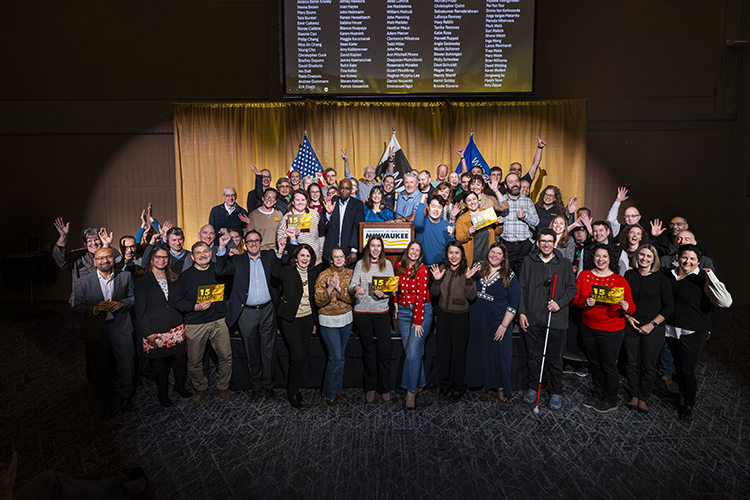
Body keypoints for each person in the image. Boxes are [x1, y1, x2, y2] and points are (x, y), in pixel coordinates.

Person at [664, 244, 732, 421]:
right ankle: (682, 396)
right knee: (678, 366)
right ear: (678, 258)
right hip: (671, 330)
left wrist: (711, 276)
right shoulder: (668, 275)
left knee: (686, 369)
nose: (687, 261)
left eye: (692, 259)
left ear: (698, 262)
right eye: (684, 257)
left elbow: (725, 303)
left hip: (694, 331)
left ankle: (689, 404)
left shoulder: (703, 280)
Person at [72, 247, 136, 419]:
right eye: (100, 258)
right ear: (94, 262)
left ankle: (126, 396)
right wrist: (94, 309)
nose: (104, 261)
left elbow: (133, 298)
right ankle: (104, 402)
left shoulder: (125, 276)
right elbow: (77, 307)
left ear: (114, 259)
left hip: (121, 327)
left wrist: (123, 303)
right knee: (99, 369)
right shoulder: (83, 282)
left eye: (108, 257)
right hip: (97, 330)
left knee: (127, 365)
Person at [518, 228, 578, 410]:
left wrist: (559, 303)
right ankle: (534, 387)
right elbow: (522, 288)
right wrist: (522, 312)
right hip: (533, 318)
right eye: (542, 241)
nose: (546, 244)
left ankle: (556, 391)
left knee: (555, 359)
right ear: (537, 243)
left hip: (556, 320)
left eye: (549, 241)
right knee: (534, 357)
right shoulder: (528, 261)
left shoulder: (564, 263)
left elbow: (572, 289)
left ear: (554, 243)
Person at [215, 230, 278, 400]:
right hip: (246, 313)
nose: (253, 243)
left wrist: (292, 240)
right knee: (252, 352)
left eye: (256, 240)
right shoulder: (238, 260)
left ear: (260, 242)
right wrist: (221, 247)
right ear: (245, 243)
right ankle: (256, 385)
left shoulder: (269, 256)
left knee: (269, 350)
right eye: (249, 241)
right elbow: (220, 271)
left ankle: (268, 385)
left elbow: (288, 260)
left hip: (268, 310)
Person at [573, 243, 635, 413]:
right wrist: (585, 302)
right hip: (588, 327)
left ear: (610, 259)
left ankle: (610, 398)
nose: (601, 259)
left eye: (605, 256)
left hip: (612, 329)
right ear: (592, 258)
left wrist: (626, 307)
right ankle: (597, 393)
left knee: (608, 364)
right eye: (598, 256)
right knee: (594, 362)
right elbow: (576, 299)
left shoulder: (619, 280)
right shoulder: (584, 276)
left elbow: (631, 306)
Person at [173, 241, 233, 404]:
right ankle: (200, 387)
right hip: (195, 323)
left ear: (210, 253)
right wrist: (195, 307)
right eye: (198, 253)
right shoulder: (185, 276)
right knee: (194, 362)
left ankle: (223, 387)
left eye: (205, 251)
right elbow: (177, 301)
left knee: (225, 357)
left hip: (219, 321)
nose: (202, 255)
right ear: (192, 257)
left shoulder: (219, 270)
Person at [465, 242, 520, 410]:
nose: (495, 255)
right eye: (492, 252)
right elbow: (468, 290)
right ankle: (486, 384)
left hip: (498, 321)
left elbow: (514, 303)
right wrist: (468, 278)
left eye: (499, 253)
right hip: (478, 320)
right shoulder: (478, 268)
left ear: (503, 258)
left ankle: (502, 390)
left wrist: (504, 325)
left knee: (500, 356)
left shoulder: (509, 275)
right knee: (483, 354)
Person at [134, 247, 191, 407]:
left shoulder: (174, 278)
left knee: (180, 357)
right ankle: (162, 393)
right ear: (152, 259)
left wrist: (185, 322)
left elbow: (180, 302)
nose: (161, 260)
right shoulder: (142, 281)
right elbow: (140, 311)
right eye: (158, 257)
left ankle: (180, 386)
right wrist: (147, 333)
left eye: (165, 257)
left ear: (168, 260)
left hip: (176, 326)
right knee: (159, 362)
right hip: (155, 329)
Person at [622, 244, 674, 414]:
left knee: (648, 364)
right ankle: (634, 394)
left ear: (654, 260)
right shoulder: (629, 275)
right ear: (637, 256)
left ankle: (643, 397)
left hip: (653, 327)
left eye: (648, 256)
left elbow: (668, 307)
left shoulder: (662, 279)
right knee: (631, 363)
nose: (644, 258)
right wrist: (628, 317)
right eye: (642, 255)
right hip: (631, 324)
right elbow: (623, 300)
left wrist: (652, 325)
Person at [273, 240, 322, 408]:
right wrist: (280, 251)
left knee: (300, 357)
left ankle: (295, 387)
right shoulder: (288, 271)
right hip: (290, 319)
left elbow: (313, 299)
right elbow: (275, 274)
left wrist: (314, 321)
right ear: (296, 257)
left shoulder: (312, 273)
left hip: (307, 319)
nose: (305, 258)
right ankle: (292, 390)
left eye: (308, 255)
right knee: (298, 356)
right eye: (302, 255)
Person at [430, 241, 480, 402]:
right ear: (447, 254)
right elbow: (434, 293)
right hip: (443, 316)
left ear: (462, 255)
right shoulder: (441, 269)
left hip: (460, 318)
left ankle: (458, 387)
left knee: (458, 354)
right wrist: (436, 280)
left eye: (457, 253)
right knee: (443, 353)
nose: (454, 256)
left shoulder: (466, 271)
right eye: (451, 252)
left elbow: (472, 297)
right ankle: (445, 384)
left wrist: (469, 280)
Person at [350, 237, 395, 403]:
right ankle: (370, 387)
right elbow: (351, 285)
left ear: (382, 248)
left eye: (378, 246)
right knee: (368, 351)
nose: (375, 249)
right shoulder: (360, 264)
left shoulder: (387, 264)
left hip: (381, 312)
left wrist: (385, 293)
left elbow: (392, 290)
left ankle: (384, 387)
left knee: (385, 351)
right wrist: (356, 287)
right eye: (373, 245)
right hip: (362, 313)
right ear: (368, 248)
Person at [393, 240, 432, 410]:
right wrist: (395, 302)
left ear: (420, 254)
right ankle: (421, 383)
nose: (414, 252)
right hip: (403, 312)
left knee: (412, 354)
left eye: (418, 250)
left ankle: (410, 392)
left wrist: (417, 321)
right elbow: (396, 287)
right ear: (407, 250)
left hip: (421, 312)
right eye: (412, 249)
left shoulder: (422, 270)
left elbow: (420, 297)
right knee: (412, 352)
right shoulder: (399, 266)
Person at [314, 247, 354, 407]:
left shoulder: (351, 274)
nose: (338, 259)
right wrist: (330, 288)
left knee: (341, 357)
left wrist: (339, 289)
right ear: (330, 260)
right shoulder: (323, 275)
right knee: (335, 357)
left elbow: (352, 299)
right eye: (335, 257)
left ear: (345, 258)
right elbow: (319, 302)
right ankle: (328, 394)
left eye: (341, 256)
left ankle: (337, 389)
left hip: (346, 320)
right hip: (328, 321)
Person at [53, 219, 119, 302]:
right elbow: (61, 259)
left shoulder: (111, 251)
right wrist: (63, 236)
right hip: (84, 300)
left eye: (96, 239)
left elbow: (120, 267)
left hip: (109, 298)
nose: (93, 243)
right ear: (85, 244)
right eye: (89, 241)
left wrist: (106, 245)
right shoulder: (78, 255)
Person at [501, 172, 540, 274]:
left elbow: (536, 222)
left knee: (523, 276)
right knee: (505, 275)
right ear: (505, 186)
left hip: (524, 246)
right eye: (511, 182)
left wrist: (525, 216)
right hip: (507, 245)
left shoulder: (527, 201)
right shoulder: (500, 201)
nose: (515, 184)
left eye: (517, 181)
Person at [320, 178, 365, 264]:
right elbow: (322, 227)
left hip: (348, 251)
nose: (344, 191)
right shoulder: (331, 203)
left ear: (351, 190)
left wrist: (354, 249)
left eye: (347, 188)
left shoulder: (357, 205)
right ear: (339, 189)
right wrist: (328, 214)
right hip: (331, 251)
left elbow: (357, 228)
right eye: (342, 188)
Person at [456, 192, 504, 267]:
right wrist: (468, 233)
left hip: (488, 255)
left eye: (474, 199)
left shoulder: (487, 213)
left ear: (478, 200)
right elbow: (459, 238)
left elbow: (497, 232)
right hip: (472, 256)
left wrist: (500, 224)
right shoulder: (461, 219)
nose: (472, 202)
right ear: (465, 204)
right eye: (469, 200)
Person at [277, 189, 323, 266]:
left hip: (315, 256)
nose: (300, 202)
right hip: (298, 258)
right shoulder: (287, 217)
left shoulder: (314, 213)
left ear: (306, 201)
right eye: (297, 200)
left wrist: (321, 250)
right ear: (293, 202)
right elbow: (280, 237)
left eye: (303, 200)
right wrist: (291, 236)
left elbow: (320, 233)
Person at [413, 194, 455, 266]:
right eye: (433, 206)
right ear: (427, 207)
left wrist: (451, 236)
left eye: (439, 207)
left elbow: (451, 248)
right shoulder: (422, 222)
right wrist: (422, 201)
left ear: (442, 209)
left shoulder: (446, 225)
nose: (436, 210)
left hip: (440, 267)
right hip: (421, 266)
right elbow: (417, 224)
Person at [245, 188, 283, 252]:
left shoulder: (279, 214)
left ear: (275, 201)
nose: (269, 199)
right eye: (267, 196)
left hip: (275, 250)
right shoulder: (253, 215)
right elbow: (249, 235)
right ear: (263, 198)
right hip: (259, 250)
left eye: (272, 197)